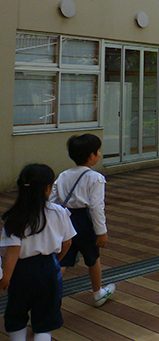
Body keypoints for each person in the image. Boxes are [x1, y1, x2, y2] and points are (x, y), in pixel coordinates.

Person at [2, 164, 76, 341]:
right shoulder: (59, 212)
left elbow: (13, 251)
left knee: (16, 313)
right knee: (45, 318)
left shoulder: (15, 216)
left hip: (21, 271)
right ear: (48, 188)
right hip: (48, 268)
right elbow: (68, 242)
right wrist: (56, 260)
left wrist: (6, 278)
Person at [50, 133, 115, 306]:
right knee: (93, 259)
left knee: (62, 259)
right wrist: (102, 232)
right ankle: (97, 293)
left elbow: (52, 201)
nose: (99, 153)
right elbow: (96, 207)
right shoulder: (96, 178)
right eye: (98, 151)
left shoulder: (63, 175)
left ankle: (48, 295)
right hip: (85, 222)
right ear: (92, 156)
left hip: (65, 220)